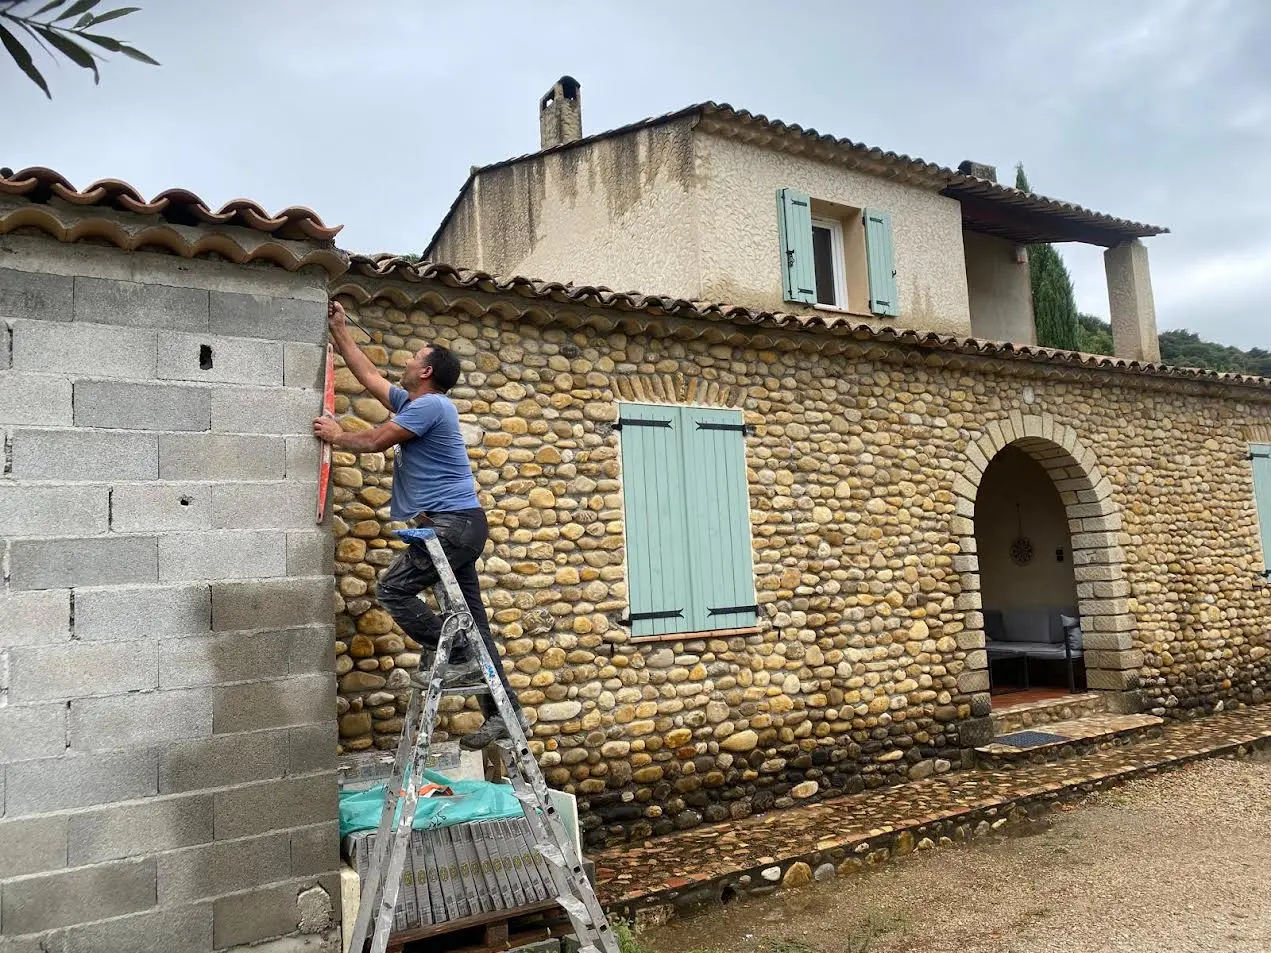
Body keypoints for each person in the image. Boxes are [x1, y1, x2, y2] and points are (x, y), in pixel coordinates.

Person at [313, 300, 528, 749]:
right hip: (461, 526)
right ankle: (506, 715)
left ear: (427, 372)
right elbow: (369, 376)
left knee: (393, 589)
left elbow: (376, 440)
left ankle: (458, 654)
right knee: (475, 623)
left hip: (453, 527)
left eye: (415, 357)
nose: (407, 361)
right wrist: (339, 330)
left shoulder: (432, 408)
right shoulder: (414, 402)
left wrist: (337, 436)